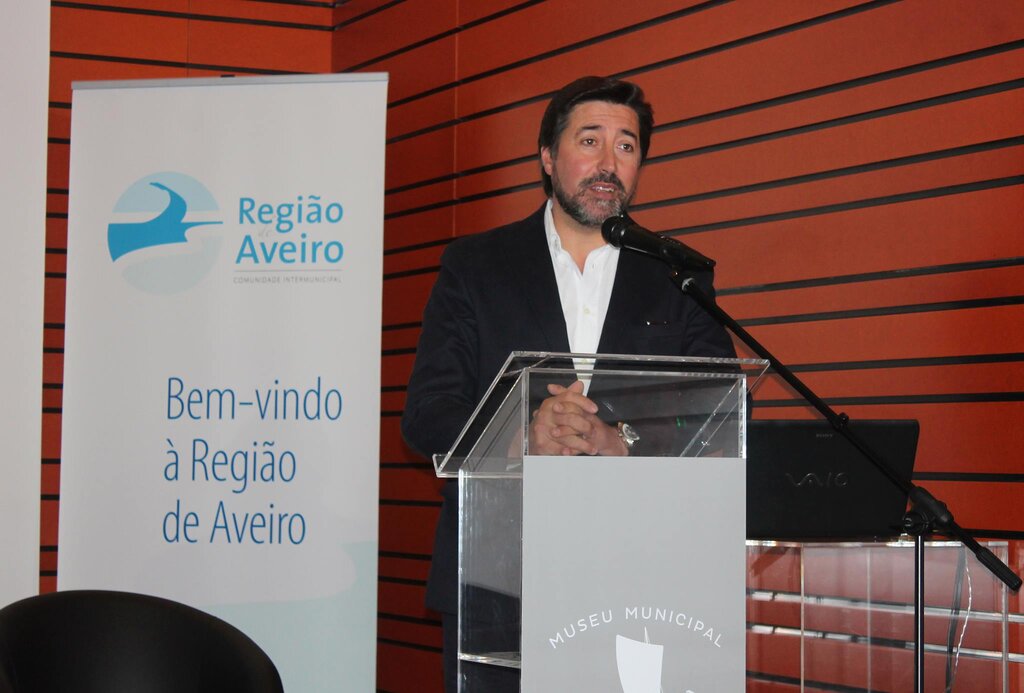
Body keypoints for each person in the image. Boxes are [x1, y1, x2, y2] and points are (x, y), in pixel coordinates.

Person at [401, 75, 736, 691]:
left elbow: (721, 414)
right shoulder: (475, 266)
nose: (609, 162)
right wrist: (519, 436)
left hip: (640, 581)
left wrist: (621, 441)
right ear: (548, 158)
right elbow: (428, 413)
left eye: (626, 146)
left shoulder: (676, 276)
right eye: (590, 140)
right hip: (500, 581)